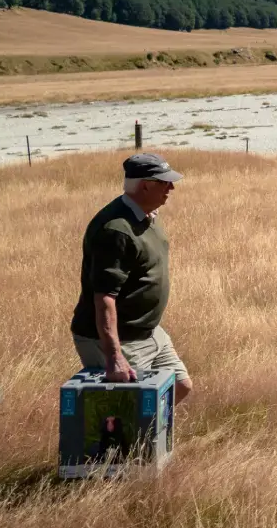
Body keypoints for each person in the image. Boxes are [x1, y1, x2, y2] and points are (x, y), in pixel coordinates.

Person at [70, 153, 193, 405]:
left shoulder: (147, 216)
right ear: (145, 185)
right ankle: (126, 444)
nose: (171, 187)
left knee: (180, 385)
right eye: (164, 182)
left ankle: (149, 438)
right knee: (126, 409)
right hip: (121, 339)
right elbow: (104, 297)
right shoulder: (115, 229)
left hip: (148, 332)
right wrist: (114, 356)